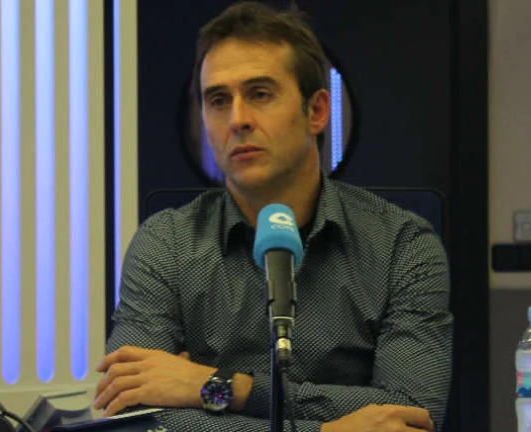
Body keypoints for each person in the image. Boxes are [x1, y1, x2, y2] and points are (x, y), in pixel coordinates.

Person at [94, 2, 452, 431]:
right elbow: (133, 416)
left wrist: (218, 387)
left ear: (317, 112)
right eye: (218, 100)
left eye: (260, 94)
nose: (238, 120)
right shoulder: (166, 242)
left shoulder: (402, 245)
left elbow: (412, 413)